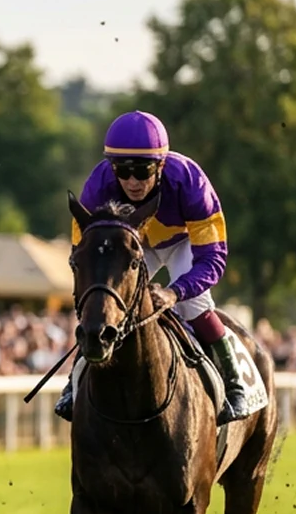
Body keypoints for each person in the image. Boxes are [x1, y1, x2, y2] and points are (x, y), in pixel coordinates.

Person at [55, 110, 253, 424]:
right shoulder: (98, 186)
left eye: (143, 170)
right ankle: (73, 383)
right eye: (123, 170)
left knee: (193, 305)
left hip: (181, 242)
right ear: (112, 167)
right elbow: (85, 253)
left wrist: (175, 292)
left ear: (160, 165)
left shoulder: (190, 182)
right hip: (130, 244)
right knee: (104, 306)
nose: (132, 181)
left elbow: (213, 258)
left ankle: (234, 382)